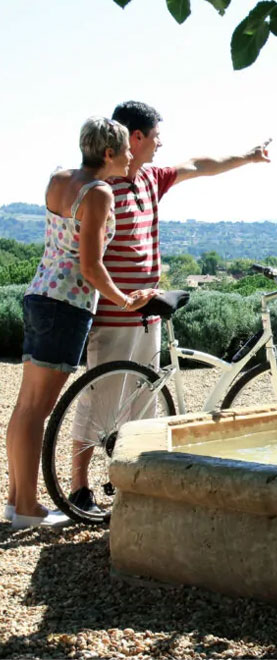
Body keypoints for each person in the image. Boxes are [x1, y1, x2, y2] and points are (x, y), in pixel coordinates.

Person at [69, 100, 270, 512]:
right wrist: (118, 300)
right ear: (136, 137)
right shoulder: (103, 187)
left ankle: (125, 483)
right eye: (156, 136)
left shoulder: (150, 178)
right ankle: (77, 488)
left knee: (143, 397)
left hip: (147, 310)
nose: (161, 144)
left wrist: (248, 158)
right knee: (100, 398)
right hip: (113, 312)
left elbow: (199, 164)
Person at [4, 117, 157, 529]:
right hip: (67, 305)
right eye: (125, 150)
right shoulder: (100, 193)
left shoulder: (58, 178)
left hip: (39, 294)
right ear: (109, 153)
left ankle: (17, 501)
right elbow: (90, 265)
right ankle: (30, 509)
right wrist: (125, 300)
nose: (130, 157)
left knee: (25, 406)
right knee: (38, 409)